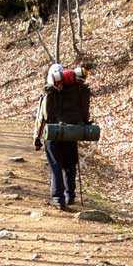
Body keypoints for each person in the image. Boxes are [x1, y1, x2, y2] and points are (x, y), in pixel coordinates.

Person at [34, 64, 90, 210]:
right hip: (71, 133)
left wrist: (37, 138)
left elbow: (42, 118)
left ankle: (58, 199)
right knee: (70, 165)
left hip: (53, 134)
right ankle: (70, 196)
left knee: (56, 166)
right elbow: (84, 112)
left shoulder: (49, 93)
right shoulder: (76, 91)